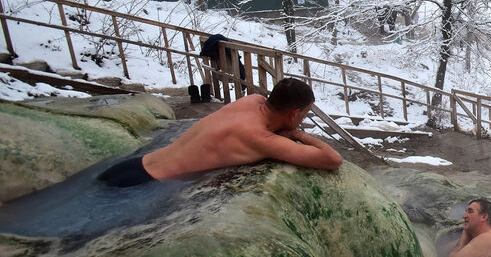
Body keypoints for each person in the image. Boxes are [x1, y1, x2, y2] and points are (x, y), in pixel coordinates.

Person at [98, 78, 342, 187]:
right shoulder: (260, 139)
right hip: (140, 183)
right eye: (304, 114)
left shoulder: (252, 100)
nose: (303, 120)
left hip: (132, 166)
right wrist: (300, 136)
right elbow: (332, 160)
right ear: (293, 114)